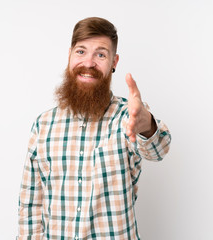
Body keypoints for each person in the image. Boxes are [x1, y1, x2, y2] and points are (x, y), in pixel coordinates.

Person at [17, 17, 171, 240]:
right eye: (81, 51)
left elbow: (158, 150)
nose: (88, 63)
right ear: (69, 55)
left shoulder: (128, 116)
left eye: (100, 54)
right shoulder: (43, 125)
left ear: (114, 62)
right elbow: (30, 205)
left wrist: (146, 124)